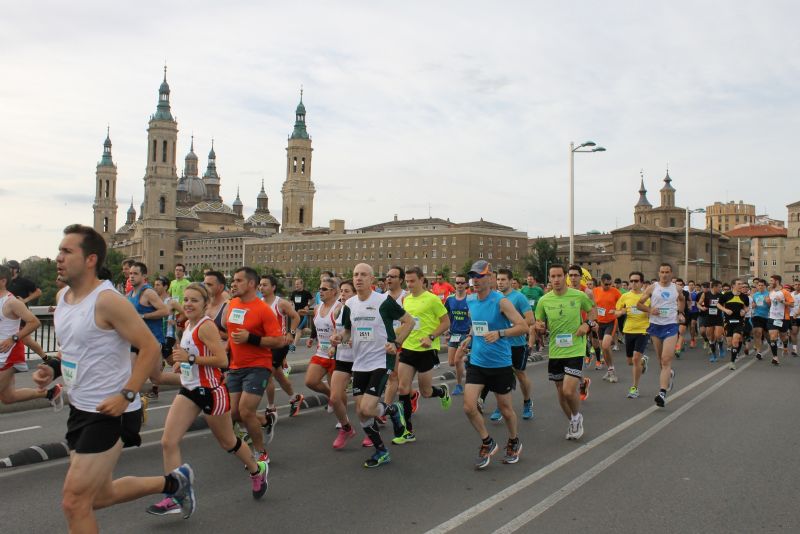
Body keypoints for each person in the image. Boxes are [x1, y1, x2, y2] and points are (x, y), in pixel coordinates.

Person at [33, 224, 196, 530]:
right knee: (99, 496)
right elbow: (72, 349)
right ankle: (174, 483)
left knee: (74, 501)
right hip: (81, 409)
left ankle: (175, 483)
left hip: (112, 412)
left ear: (90, 259)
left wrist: (127, 394)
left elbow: (148, 347)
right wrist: (52, 368)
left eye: (67, 251)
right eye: (59, 250)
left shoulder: (107, 300)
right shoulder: (63, 296)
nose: (59, 257)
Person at [148, 283, 267, 515]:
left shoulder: (206, 326)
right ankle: (175, 494)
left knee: (228, 442)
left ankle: (256, 469)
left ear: (204, 304)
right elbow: (191, 357)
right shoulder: (188, 324)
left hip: (212, 392)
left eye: (194, 300)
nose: (189, 304)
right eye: (186, 300)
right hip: (190, 390)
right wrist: (181, 364)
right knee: (168, 441)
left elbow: (223, 360)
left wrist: (190, 358)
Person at [330, 263, 414, 468]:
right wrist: (340, 337)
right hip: (359, 362)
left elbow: (409, 322)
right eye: (355, 274)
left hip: (380, 360)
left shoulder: (384, 301)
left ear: (372, 280)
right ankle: (382, 449)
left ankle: (393, 410)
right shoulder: (349, 304)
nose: (358, 278)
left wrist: (396, 343)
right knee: (361, 412)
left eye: (363, 275)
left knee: (368, 407)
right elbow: (348, 331)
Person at [458, 261, 527, 468]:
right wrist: (469, 337)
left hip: (500, 364)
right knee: (469, 407)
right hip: (478, 362)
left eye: (480, 276)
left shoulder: (501, 302)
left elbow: (523, 326)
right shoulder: (470, 300)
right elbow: (477, 325)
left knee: (506, 409)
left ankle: (514, 440)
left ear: (490, 278)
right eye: (473, 277)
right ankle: (488, 441)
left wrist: (500, 333)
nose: (475, 281)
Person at [226, 267, 286, 463]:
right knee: (233, 413)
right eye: (233, 280)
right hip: (235, 366)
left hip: (258, 366)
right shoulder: (233, 304)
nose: (234, 284)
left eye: (238, 280)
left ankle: (261, 453)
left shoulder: (263, 310)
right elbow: (231, 334)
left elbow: (278, 341)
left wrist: (250, 338)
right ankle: (267, 421)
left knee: (245, 410)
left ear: (251, 284)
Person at [535, 265, 594, 440]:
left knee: (569, 391)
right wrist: (539, 327)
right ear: (549, 278)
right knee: (561, 393)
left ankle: (576, 417)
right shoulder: (544, 300)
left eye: (559, 276)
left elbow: (592, 311)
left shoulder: (579, 296)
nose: (556, 279)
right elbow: (539, 321)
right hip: (555, 351)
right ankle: (573, 420)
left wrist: (587, 325)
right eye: (553, 276)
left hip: (575, 348)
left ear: (565, 277)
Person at [393, 267, 451, 444]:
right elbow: (406, 324)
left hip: (426, 350)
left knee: (426, 392)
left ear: (422, 280)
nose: (409, 285)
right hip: (408, 349)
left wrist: (432, 337)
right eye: (407, 281)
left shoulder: (432, 299)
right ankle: (407, 431)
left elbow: (446, 322)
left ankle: (441, 391)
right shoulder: (406, 300)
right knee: (403, 388)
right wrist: (394, 338)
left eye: (412, 281)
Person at [0, 265, 62, 408]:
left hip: (9, 354)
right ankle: (51, 393)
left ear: (3, 281)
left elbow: (34, 322)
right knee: (8, 397)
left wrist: (13, 338)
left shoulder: (12, 302)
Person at [485, 268, 535, 421]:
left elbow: (530, 320)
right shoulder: (493, 298)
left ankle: (527, 401)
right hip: (500, 345)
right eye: (498, 279)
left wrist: (512, 328)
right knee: (499, 376)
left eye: (503, 280)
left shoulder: (519, 298)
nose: (500, 282)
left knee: (520, 375)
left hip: (516, 344)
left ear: (511, 281)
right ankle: (501, 406)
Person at [637, 263, 684, 407]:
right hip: (656, 326)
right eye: (662, 272)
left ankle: (662, 393)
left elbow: (682, 300)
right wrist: (650, 310)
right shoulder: (652, 288)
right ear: (659, 273)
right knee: (660, 360)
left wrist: (680, 313)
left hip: (671, 325)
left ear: (671, 274)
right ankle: (668, 374)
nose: (664, 275)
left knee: (665, 360)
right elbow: (639, 304)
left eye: (667, 272)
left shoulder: (677, 288)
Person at [258, 274, 301, 426]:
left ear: (273, 287)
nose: (261, 287)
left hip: (280, 343)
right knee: (279, 375)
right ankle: (295, 397)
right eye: (260, 285)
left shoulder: (280, 303)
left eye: (265, 285)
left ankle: (270, 407)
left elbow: (296, 317)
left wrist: (291, 333)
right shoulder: (258, 303)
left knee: (268, 371)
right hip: (265, 344)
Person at [127, 262, 171, 402]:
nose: (132, 277)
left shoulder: (148, 292)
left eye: (135, 274)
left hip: (152, 340)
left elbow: (165, 311)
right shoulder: (129, 294)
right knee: (130, 374)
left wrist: (144, 316)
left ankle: (190, 382)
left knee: (156, 377)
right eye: (130, 274)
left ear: (144, 276)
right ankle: (132, 405)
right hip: (136, 340)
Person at [330, 280, 359, 449]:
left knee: (363, 405)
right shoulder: (338, 311)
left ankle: (379, 417)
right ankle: (346, 427)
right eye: (341, 291)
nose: (342, 294)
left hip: (361, 359)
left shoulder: (360, 310)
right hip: (343, 358)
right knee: (334, 398)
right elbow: (337, 330)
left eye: (346, 291)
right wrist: (334, 342)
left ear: (355, 294)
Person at [305, 277, 341, 414]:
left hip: (336, 354)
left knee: (337, 392)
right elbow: (316, 325)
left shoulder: (339, 308)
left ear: (333, 292)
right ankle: (330, 396)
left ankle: (343, 422)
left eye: (324, 289)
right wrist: (311, 337)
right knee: (310, 381)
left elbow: (345, 329)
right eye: (320, 289)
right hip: (321, 352)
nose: (321, 291)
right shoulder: (317, 308)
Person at [615, 271, 650, 398]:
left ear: (641, 282)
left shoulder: (647, 297)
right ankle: (643, 361)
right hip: (628, 330)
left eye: (636, 281)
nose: (634, 283)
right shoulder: (625, 296)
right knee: (630, 361)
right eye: (632, 281)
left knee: (635, 359)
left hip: (643, 330)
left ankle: (634, 388)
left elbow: (652, 311)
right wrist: (621, 311)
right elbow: (618, 310)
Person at [381, 266, 408, 406]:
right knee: (390, 376)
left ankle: (385, 409)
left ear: (401, 280)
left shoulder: (406, 297)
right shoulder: (381, 298)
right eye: (387, 276)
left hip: (400, 342)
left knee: (393, 376)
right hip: (383, 341)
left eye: (393, 276)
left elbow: (412, 322)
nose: (388, 279)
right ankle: (412, 395)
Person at [445, 274, 471, 395]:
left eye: (462, 283)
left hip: (465, 335)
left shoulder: (470, 299)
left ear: (466, 284)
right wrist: (447, 330)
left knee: (456, 361)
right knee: (451, 362)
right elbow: (447, 316)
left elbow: (474, 318)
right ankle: (467, 360)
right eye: (457, 283)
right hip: (454, 334)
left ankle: (459, 385)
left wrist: (471, 334)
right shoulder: (450, 299)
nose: (460, 285)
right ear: (454, 284)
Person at [593, 273, 622, 383]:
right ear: (601, 282)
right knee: (603, 348)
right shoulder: (595, 291)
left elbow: (623, 304)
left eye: (610, 284)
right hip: (599, 322)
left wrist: (618, 311)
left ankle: (612, 370)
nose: (608, 286)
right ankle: (610, 369)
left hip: (611, 321)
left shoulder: (615, 292)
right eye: (606, 284)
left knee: (606, 345)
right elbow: (591, 304)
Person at [717, 278, 749, 370]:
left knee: (735, 340)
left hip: (739, 321)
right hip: (728, 321)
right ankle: (739, 342)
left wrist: (744, 311)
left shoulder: (744, 296)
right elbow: (718, 305)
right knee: (730, 343)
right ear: (733, 286)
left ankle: (732, 362)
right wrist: (725, 310)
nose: (741, 286)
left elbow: (746, 307)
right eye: (739, 284)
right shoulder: (726, 295)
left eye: (742, 284)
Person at [765, 274, 794, 365]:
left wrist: (782, 301)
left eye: (771, 281)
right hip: (772, 317)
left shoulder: (785, 292)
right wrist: (768, 302)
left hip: (783, 318)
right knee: (773, 337)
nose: (770, 283)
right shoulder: (771, 291)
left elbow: (792, 304)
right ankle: (775, 357)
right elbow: (772, 304)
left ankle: (785, 346)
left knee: (783, 336)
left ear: (777, 281)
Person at [698, 281, 724, 362]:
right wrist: (702, 308)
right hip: (708, 317)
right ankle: (714, 355)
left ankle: (721, 347)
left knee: (718, 335)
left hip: (718, 317)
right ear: (714, 287)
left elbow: (725, 305)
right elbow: (698, 304)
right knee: (711, 338)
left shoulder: (721, 295)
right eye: (719, 287)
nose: (721, 289)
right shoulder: (705, 294)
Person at [520, 273, 544, 354]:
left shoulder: (539, 290)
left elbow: (542, 299)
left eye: (531, 279)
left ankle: (529, 347)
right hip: (526, 313)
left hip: (535, 312)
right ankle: (537, 340)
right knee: (528, 330)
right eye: (528, 279)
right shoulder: (523, 289)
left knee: (531, 329)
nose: (529, 280)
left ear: (534, 281)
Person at [289, 278, 314, 347]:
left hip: (303, 314)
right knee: (303, 330)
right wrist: (291, 305)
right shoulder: (294, 293)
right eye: (295, 284)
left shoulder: (306, 293)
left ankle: (293, 346)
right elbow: (291, 301)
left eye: (297, 284)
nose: (296, 285)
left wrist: (308, 305)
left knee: (298, 329)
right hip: (296, 314)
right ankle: (315, 332)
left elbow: (312, 300)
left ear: (302, 284)